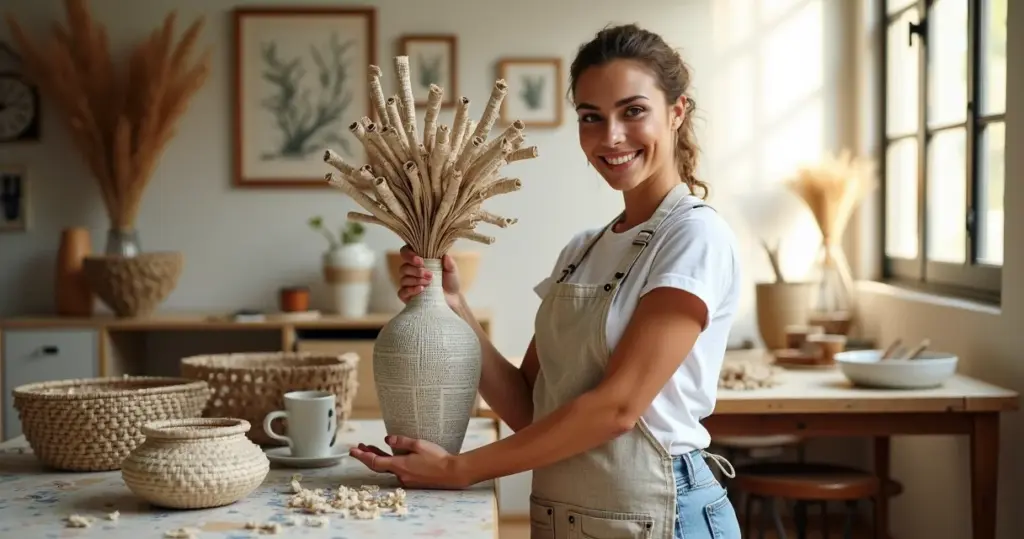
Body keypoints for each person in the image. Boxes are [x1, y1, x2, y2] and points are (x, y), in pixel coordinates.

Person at [349, 23, 743, 539]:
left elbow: (618, 408)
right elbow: (530, 407)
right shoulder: (582, 250)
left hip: (662, 518)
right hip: (566, 521)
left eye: (634, 111)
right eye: (591, 118)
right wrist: (452, 305)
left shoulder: (695, 236)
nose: (611, 137)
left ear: (677, 112)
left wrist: (459, 468)